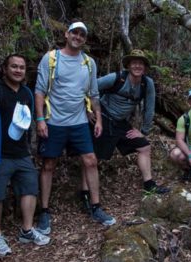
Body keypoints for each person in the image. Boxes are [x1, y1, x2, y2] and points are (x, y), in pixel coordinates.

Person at [34, 21, 116, 235]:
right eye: (74, 32)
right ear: (66, 34)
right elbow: (40, 91)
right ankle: (43, 210)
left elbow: (94, 94)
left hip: (79, 121)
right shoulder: (51, 59)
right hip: (54, 121)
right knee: (49, 164)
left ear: (85, 39)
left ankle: (96, 207)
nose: (78, 37)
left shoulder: (88, 63)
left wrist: (98, 119)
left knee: (90, 160)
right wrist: (40, 119)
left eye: (82, 34)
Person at [0, 54, 50, 257]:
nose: (18, 70)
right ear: (5, 68)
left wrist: (30, 149)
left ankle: (26, 230)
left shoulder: (26, 93)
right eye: (14, 66)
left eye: (22, 67)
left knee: (30, 189)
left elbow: (28, 124)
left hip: (22, 153)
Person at [81, 49, 169, 202]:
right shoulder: (116, 78)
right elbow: (90, 88)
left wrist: (144, 131)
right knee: (93, 157)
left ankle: (149, 185)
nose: (137, 66)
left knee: (144, 147)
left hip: (120, 123)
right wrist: (88, 109)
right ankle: (85, 192)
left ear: (145, 67)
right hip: (103, 117)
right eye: (134, 63)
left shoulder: (147, 84)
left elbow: (150, 108)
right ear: (128, 65)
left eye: (141, 64)